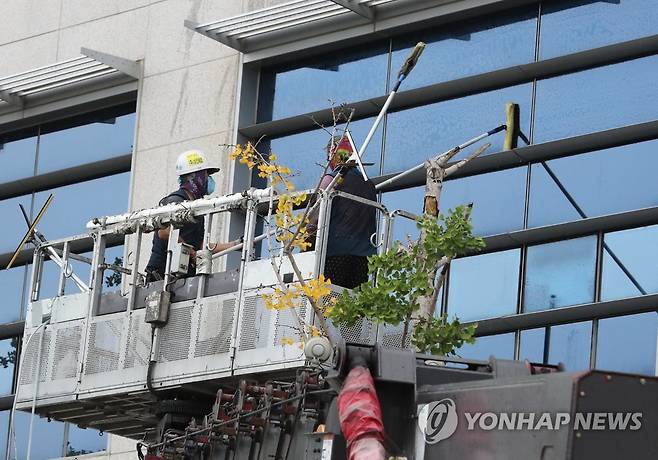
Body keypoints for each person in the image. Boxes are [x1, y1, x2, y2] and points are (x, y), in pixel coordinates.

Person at [145, 149, 240, 282]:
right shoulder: (174, 201)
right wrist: (191, 253)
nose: (209, 180)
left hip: (180, 279)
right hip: (160, 278)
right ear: (194, 177)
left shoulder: (195, 208)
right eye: (206, 175)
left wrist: (235, 245)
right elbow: (164, 232)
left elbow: (200, 246)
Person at [310, 135, 377, 289]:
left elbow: (314, 220)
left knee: (327, 305)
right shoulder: (369, 185)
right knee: (354, 307)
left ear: (331, 154)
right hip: (363, 257)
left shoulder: (331, 180)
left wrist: (305, 244)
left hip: (335, 252)